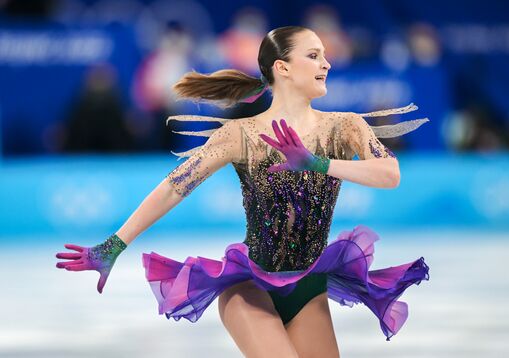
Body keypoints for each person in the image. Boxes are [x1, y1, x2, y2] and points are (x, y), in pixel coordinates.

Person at [56, 26, 430, 357]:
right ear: (282, 68)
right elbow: (174, 187)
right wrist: (115, 245)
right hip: (249, 286)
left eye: (325, 56)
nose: (326, 64)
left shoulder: (344, 126)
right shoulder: (240, 134)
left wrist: (316, 164)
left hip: (309, 285)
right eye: (314, 56)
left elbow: (389, 173)